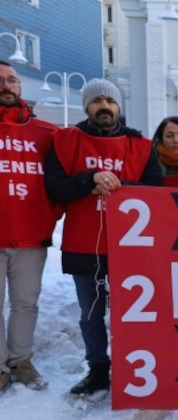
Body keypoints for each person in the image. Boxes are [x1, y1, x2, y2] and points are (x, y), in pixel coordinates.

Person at [44, 79, 163, 397]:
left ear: (118, 106)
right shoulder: (65, 141)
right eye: (97, 101)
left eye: (110, 101)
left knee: (136, 312)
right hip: (85, 243)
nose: (104, 106)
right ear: (86, 107)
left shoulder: (141, 145)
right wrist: (89, 180)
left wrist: (119, 186)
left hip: (133, 244)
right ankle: (98, 369)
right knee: (91, 313)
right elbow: (54, 188)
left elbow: (156, 190)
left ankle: (135, 367)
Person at [0, 61, 61, 393]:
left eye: (12, 80)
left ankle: (20, 361)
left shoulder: (47, 133)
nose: (6, 85)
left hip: (30, 237)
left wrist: (50, 214)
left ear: (20, 87)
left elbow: (70, 170)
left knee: (26, 303)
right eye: (0, 80)